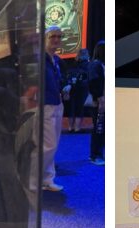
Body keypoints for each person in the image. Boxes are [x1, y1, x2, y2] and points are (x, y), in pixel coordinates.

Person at [41, 26, 65, 193]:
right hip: (45, 104)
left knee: (53, 144)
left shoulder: (55, 60)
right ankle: (35, 179)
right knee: (48, 145)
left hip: (56, 102)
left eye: (58, 37)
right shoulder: (40, 59)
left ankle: (47, 179)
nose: (56, 40)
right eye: (52, 37)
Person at [87, 41, 105, 165]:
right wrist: (99, 97)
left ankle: (97, 154)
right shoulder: (96, 65)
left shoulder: (101, 65)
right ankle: (95, 155)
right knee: (99, 129)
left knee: (102, 129)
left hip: (102, 100)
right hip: (99, 102)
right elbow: (93, 82)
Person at [64, 49, 90, 133]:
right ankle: (77, 128)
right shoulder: (88, 65)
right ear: (87, 55)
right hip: (83, 87)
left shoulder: (73, 64)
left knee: (71, 107)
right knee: (79, 107)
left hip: (71, 87)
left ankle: (70, 127)